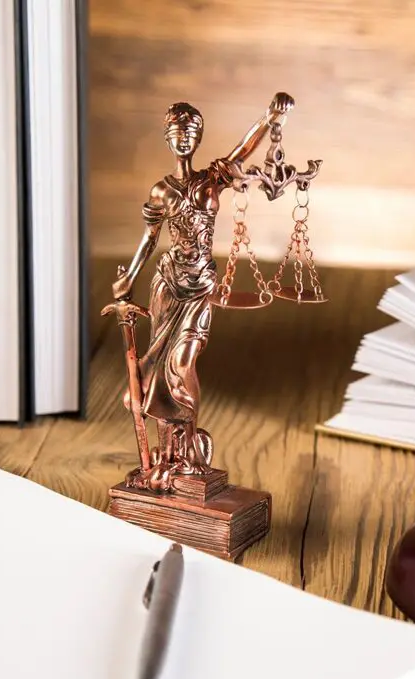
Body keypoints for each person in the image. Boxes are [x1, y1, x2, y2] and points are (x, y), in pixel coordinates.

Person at [111, 94, 293, 490]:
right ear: (167, 138)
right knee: (157, 369)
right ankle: (169, 457)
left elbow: (243, 151)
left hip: (200, 287)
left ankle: (189, 448)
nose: (184, 138)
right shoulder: (162, 191)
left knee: (182, 362)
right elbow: (150, 238)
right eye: (177, 132)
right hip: (168, 285)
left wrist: (267, 118)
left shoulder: (211, 180)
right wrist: (130, 279)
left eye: (191, 132)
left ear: (198, 137)